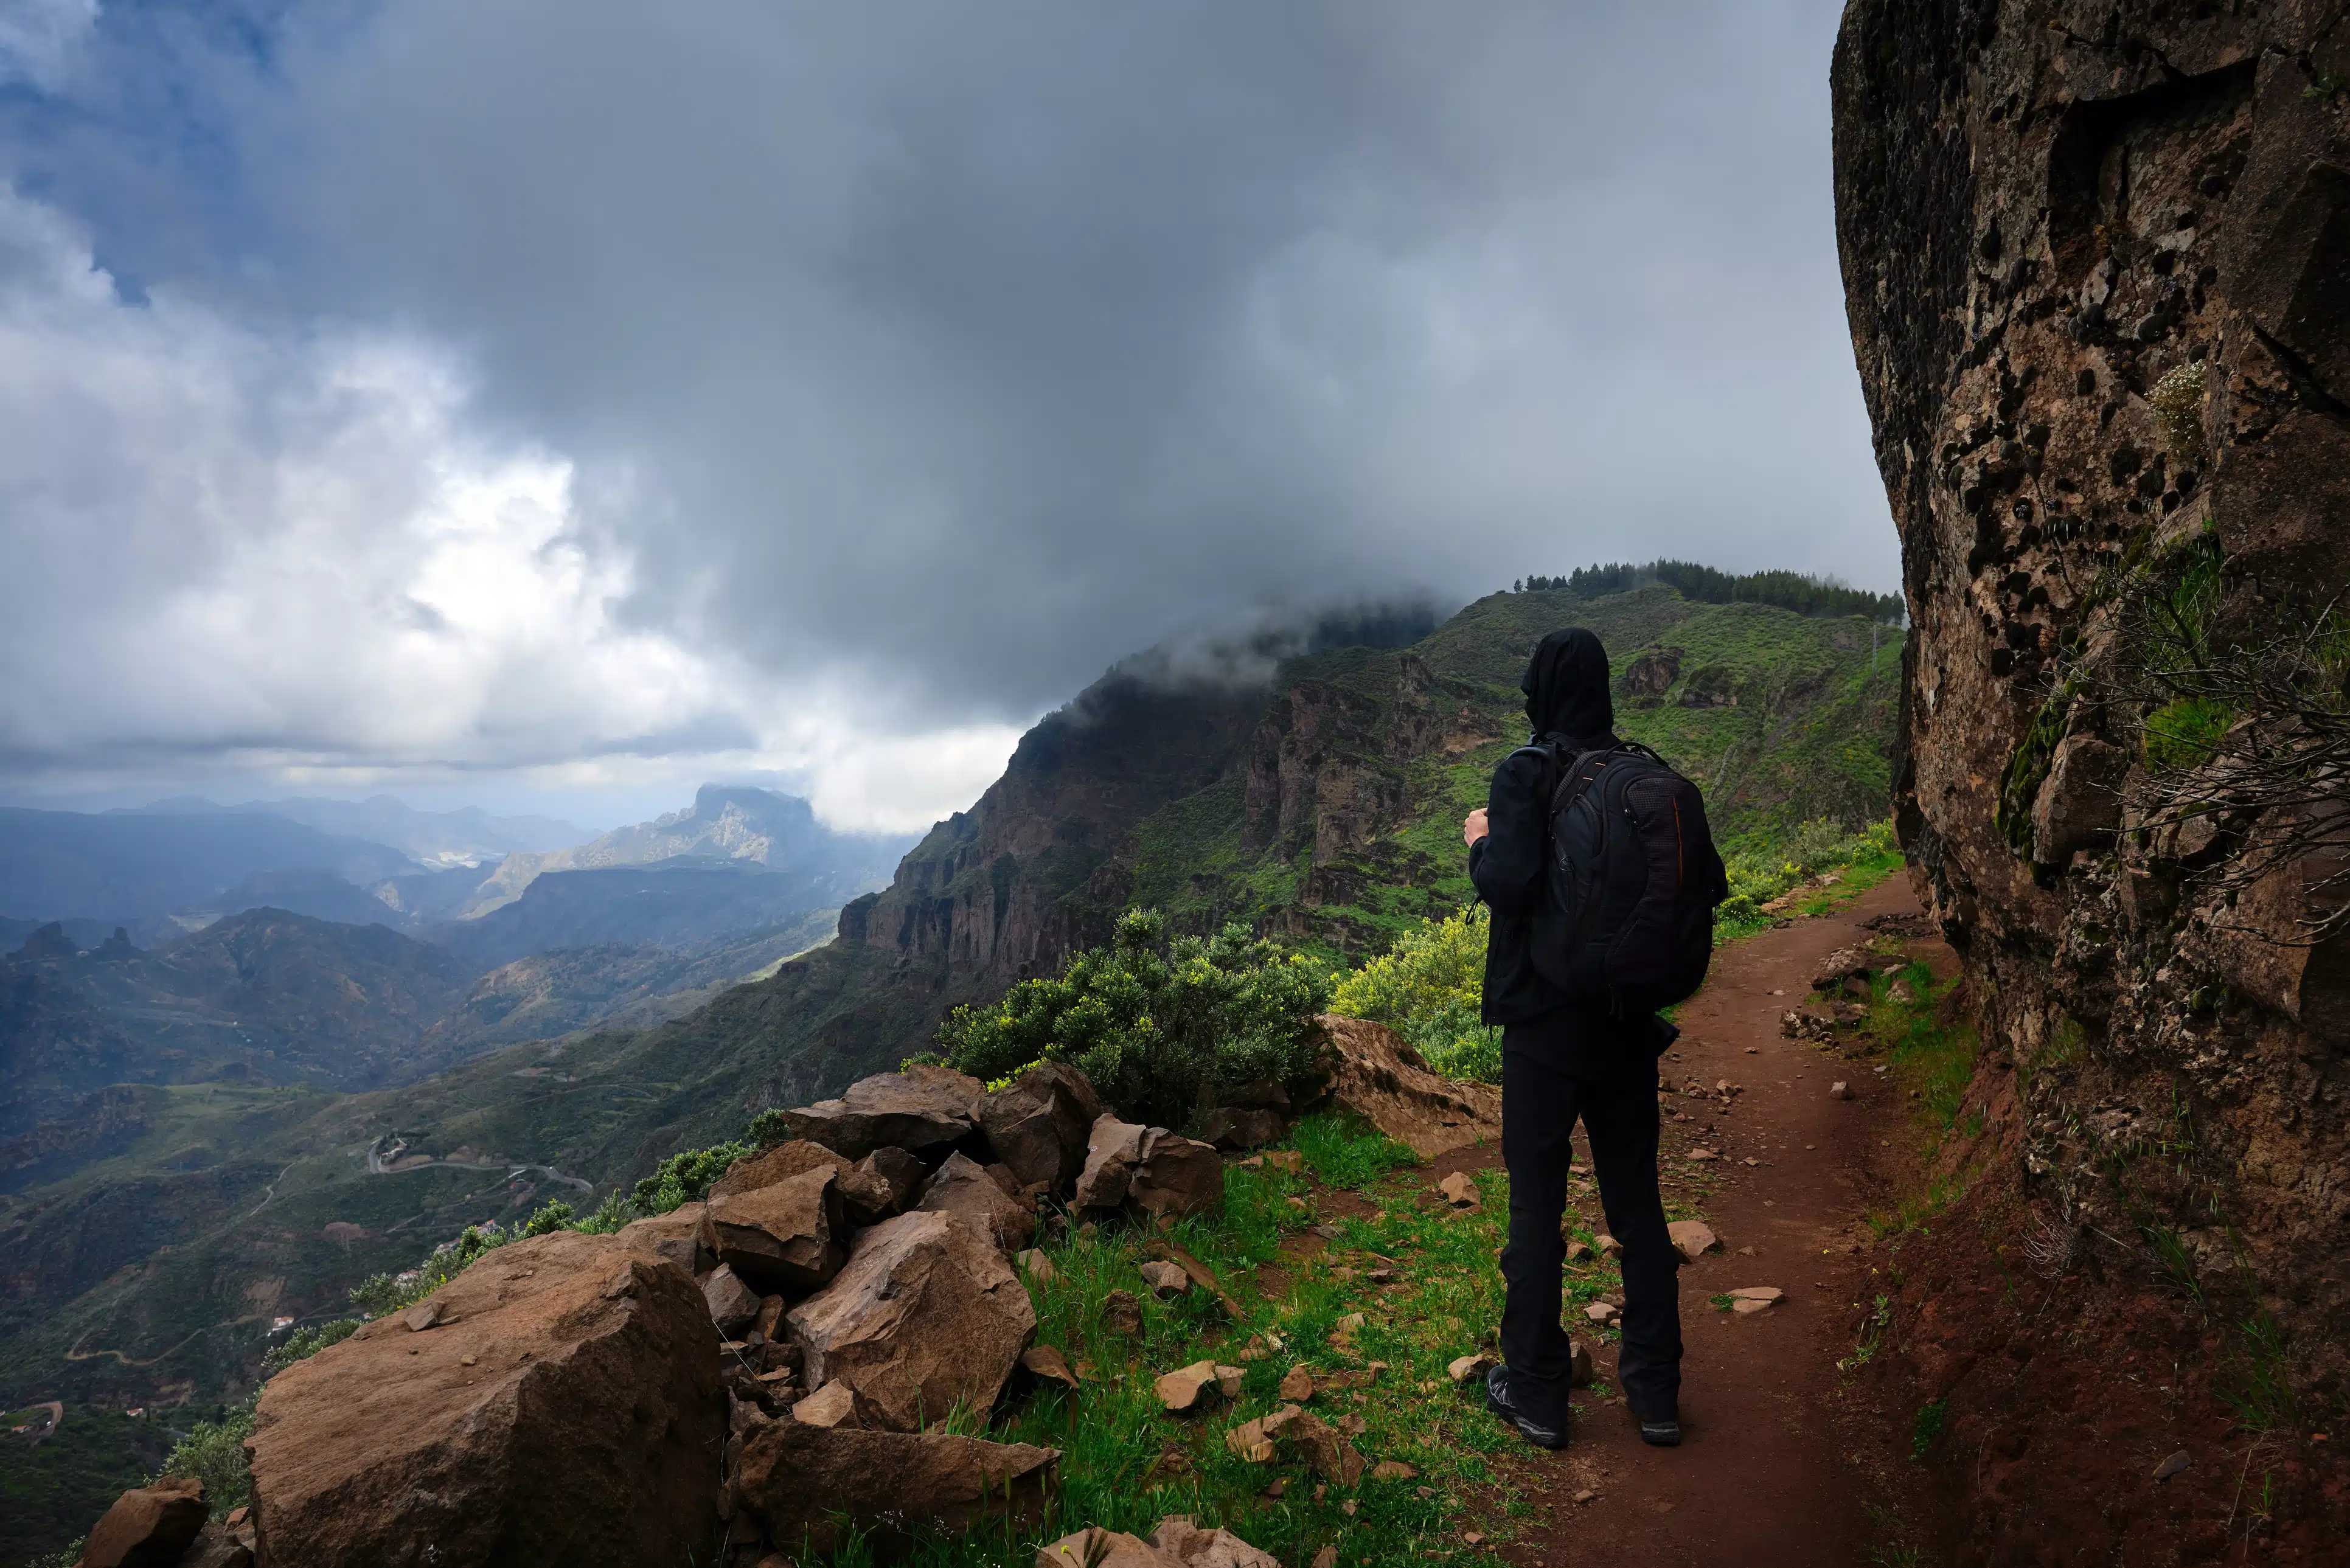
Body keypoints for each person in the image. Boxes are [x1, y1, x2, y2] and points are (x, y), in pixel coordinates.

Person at [1464, 627, 1684, 1451]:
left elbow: (1510, 884)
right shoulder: (1642, 774)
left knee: (1535, 1208)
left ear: (1539, 690)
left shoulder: (1526, 771)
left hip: (1541, 1028)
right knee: (1637, 1206)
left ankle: (1537, 1393)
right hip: (1625, 1025)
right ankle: (1656, 1394)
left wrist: (1479, 841)